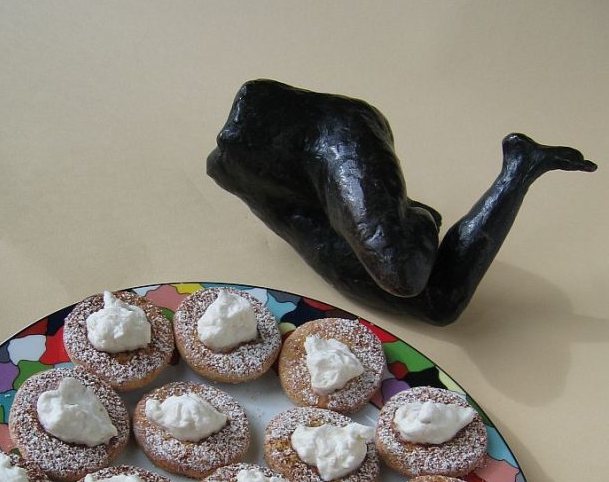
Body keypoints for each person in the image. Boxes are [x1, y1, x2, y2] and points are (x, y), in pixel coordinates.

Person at [208, 80, 596, 325]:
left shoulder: (338, 142)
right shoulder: (236, 163)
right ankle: (415, 217)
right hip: (276, 162)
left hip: (330, 138)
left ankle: (520, 164)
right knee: (431, 298)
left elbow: (402, 278)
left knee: (421, 290)